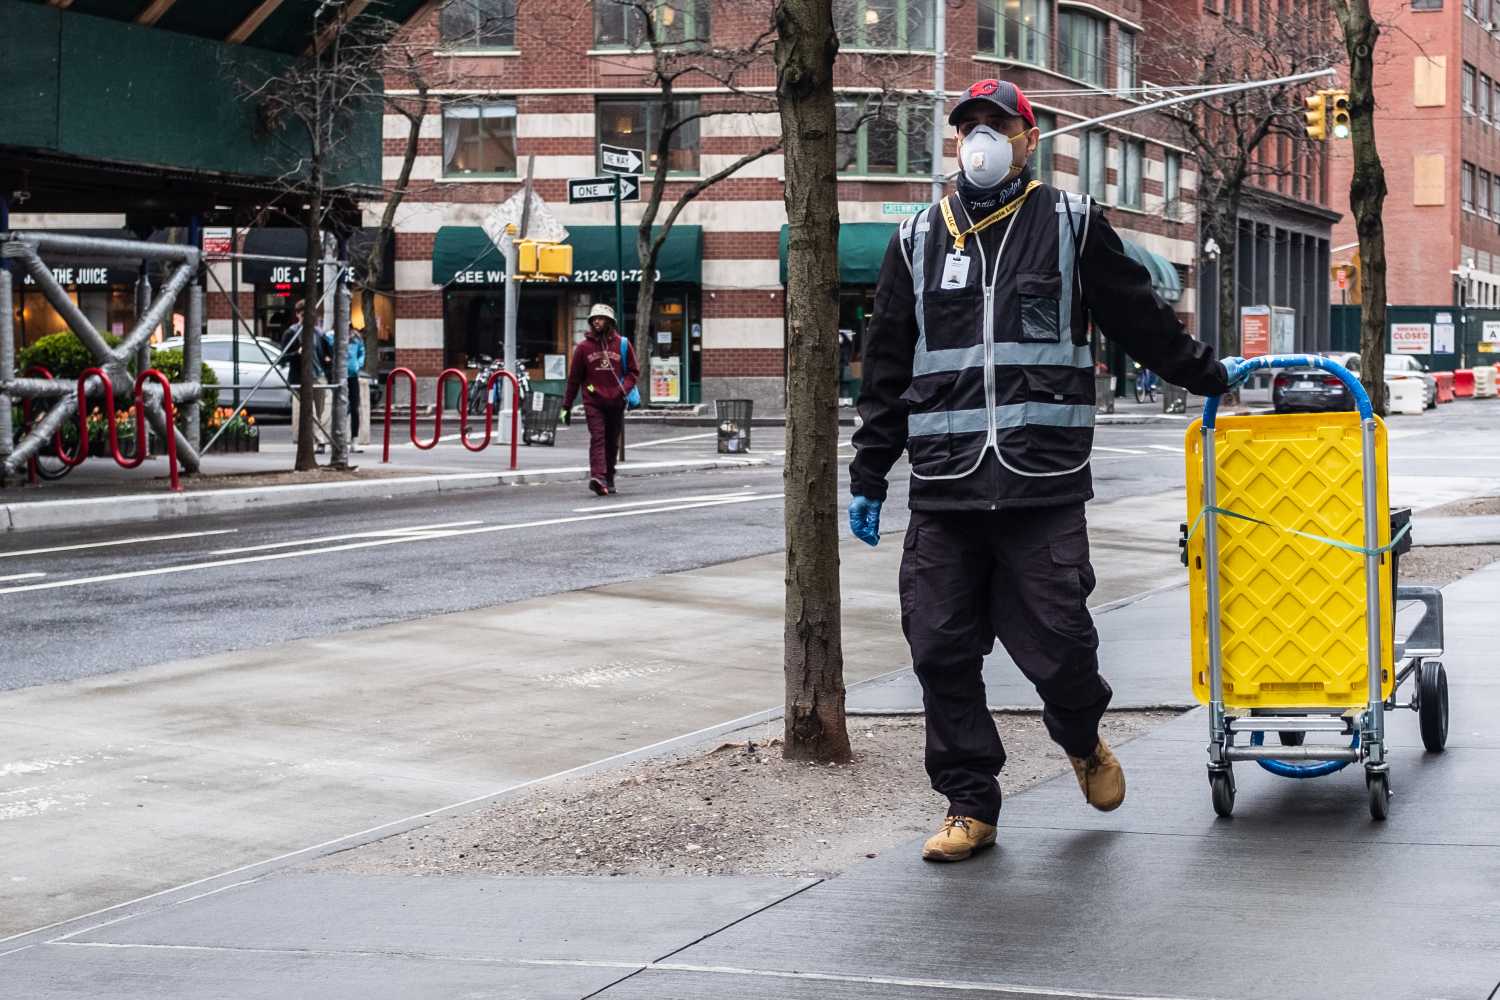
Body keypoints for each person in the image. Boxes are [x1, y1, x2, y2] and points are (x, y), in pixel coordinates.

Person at [847, 78, 1247, 864]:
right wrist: (870, 472)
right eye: (969, 126)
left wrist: (1207, 373)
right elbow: (886, 363)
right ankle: (970, 803)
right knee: (938, 648)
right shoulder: (919, 237)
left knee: (1062, 648)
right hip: (947, 488)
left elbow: (1138, 317)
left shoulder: (1070, 224)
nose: (981, 138)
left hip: (1041, 483)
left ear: (1029, 140)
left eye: (997, 124)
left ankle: (1080, 737)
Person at [561, 303, 639, 496]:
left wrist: (623, 390)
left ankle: (609, 476)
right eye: (594, 318)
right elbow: (574, 379)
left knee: (612, 441)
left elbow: (633, 371)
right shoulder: (583, 348)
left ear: (610, 322)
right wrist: (566, 406)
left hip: (616, 401)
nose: (597, 321)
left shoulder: (622, 344)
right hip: (593, 401)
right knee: (598, 437)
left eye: (601, 318)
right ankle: (598, 477)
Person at [281, 300, 332, 453]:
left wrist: (328, 360)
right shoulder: (291, 333)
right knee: (310, 411)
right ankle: (320, 441)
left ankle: (315, 440)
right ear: (297, 315)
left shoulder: (318, 333)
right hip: (300, 378)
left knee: (320, 411)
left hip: (318, 376)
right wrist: (297, 353)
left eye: (309, 314)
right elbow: (283, 357)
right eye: (303, 315)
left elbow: (328, 353)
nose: (306, 318)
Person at [323, 325, 367, 452]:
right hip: (339, 375)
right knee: (340, 406)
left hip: (352, 375)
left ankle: (354, 439)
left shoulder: (355, 338)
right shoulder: (331, 337)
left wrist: (358, 364)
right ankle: (337, 437)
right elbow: (327, 352)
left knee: (354, 407)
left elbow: (361, 352)